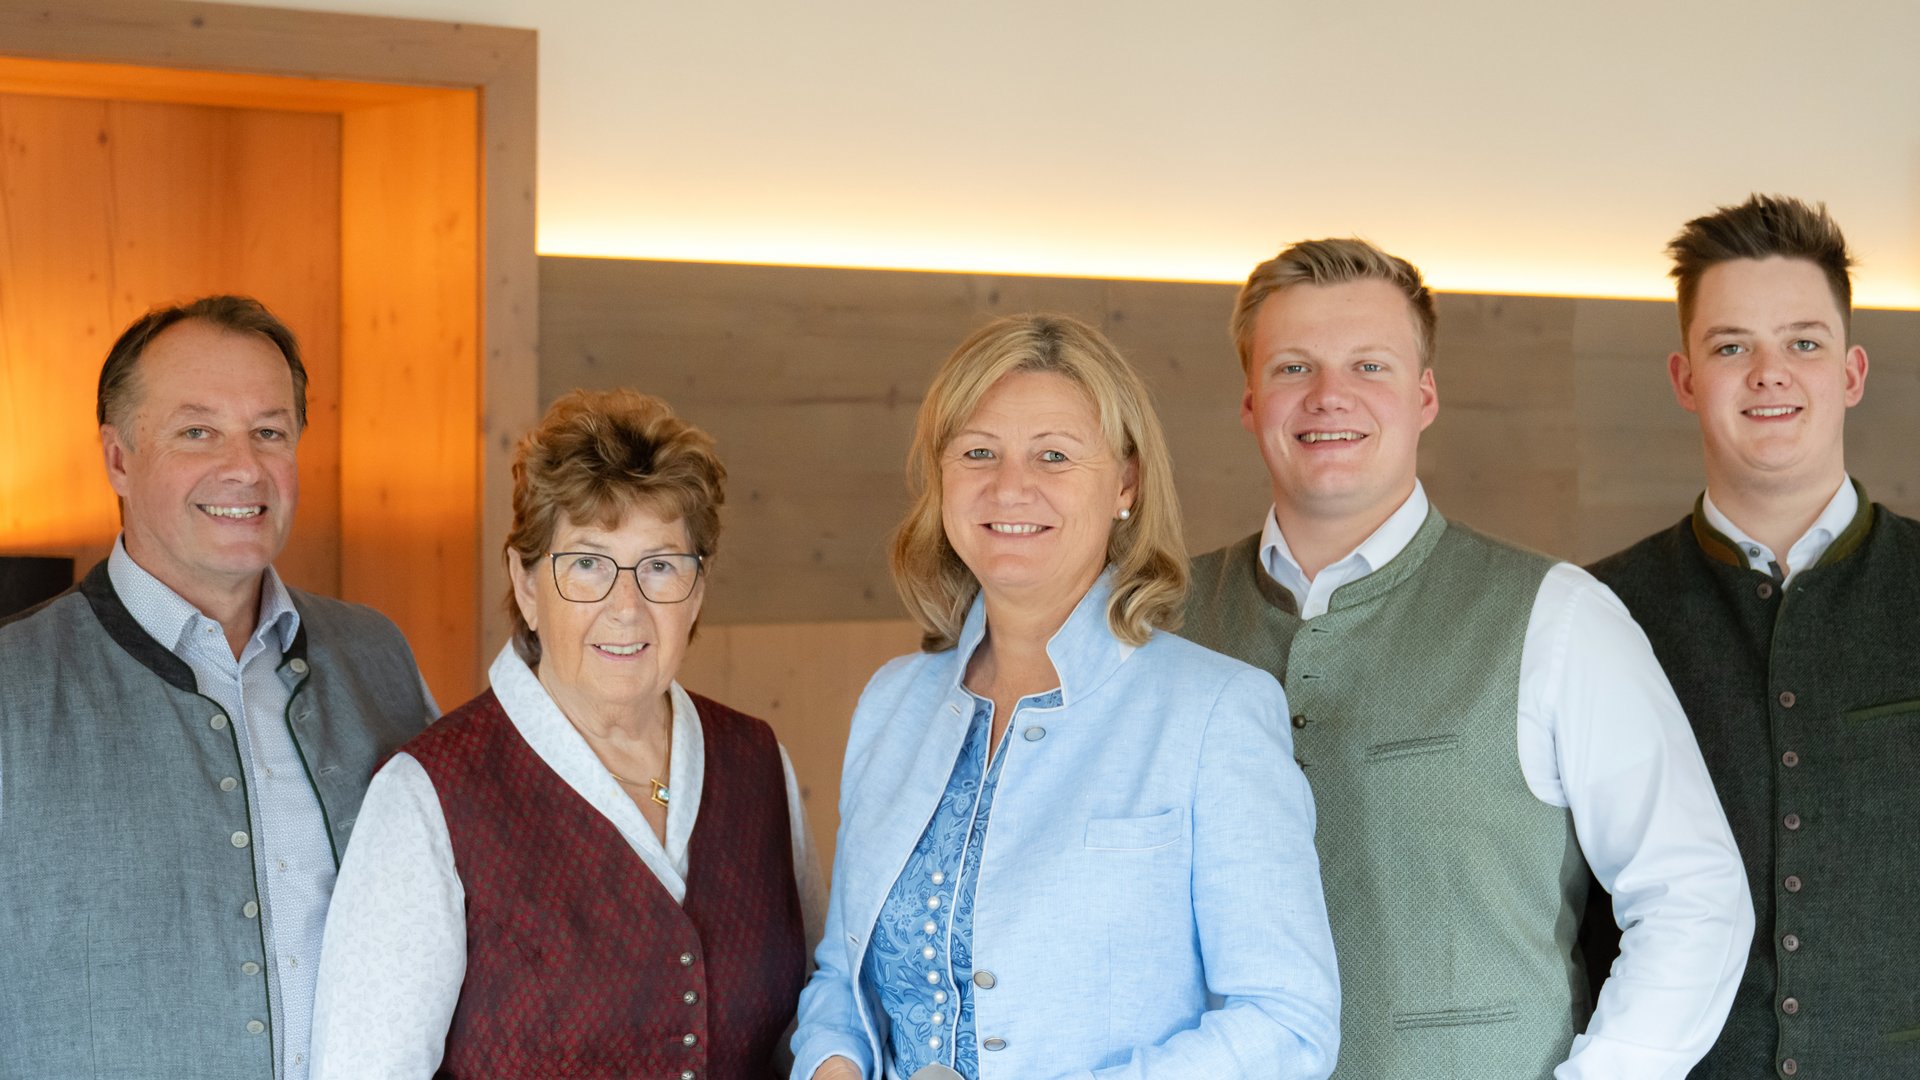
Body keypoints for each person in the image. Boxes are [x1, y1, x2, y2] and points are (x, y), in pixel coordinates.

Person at [1180, 238, 1755, 1079]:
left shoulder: (1558, 616)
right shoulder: (1157, 623)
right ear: (1250, 400)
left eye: (1369, 366)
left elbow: (1693, 897)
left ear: (1425, 396)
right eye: (1293, 367)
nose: (1329, 395)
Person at [792, 314, 1340, 1080]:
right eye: (978, 452)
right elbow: (841, 982)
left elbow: (1287, 1024)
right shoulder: (892, 704)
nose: (1010, 485)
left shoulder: (1215, 713)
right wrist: (833, 1066)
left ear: (1126, 483)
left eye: (1053, 455)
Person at [309, 388, 825, 1079]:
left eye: (660, 566)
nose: (626, 607)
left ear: (698, 590)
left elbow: (811, 1035)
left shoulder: (758, 766)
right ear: (525, 584)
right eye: (587, 563)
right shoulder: (427, 798)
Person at [0, 296, 437, 1080]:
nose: (245, 467)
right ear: (119, 459)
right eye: (197, 432)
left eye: (270, 432)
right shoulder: (13, 688)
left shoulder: (378, 658)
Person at [1587, 194, 1920, 1079]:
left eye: (1803, 344)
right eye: (1732, 347)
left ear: (1851, 373)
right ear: (1685, 378)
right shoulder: (1594, 611)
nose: (1770, 374)